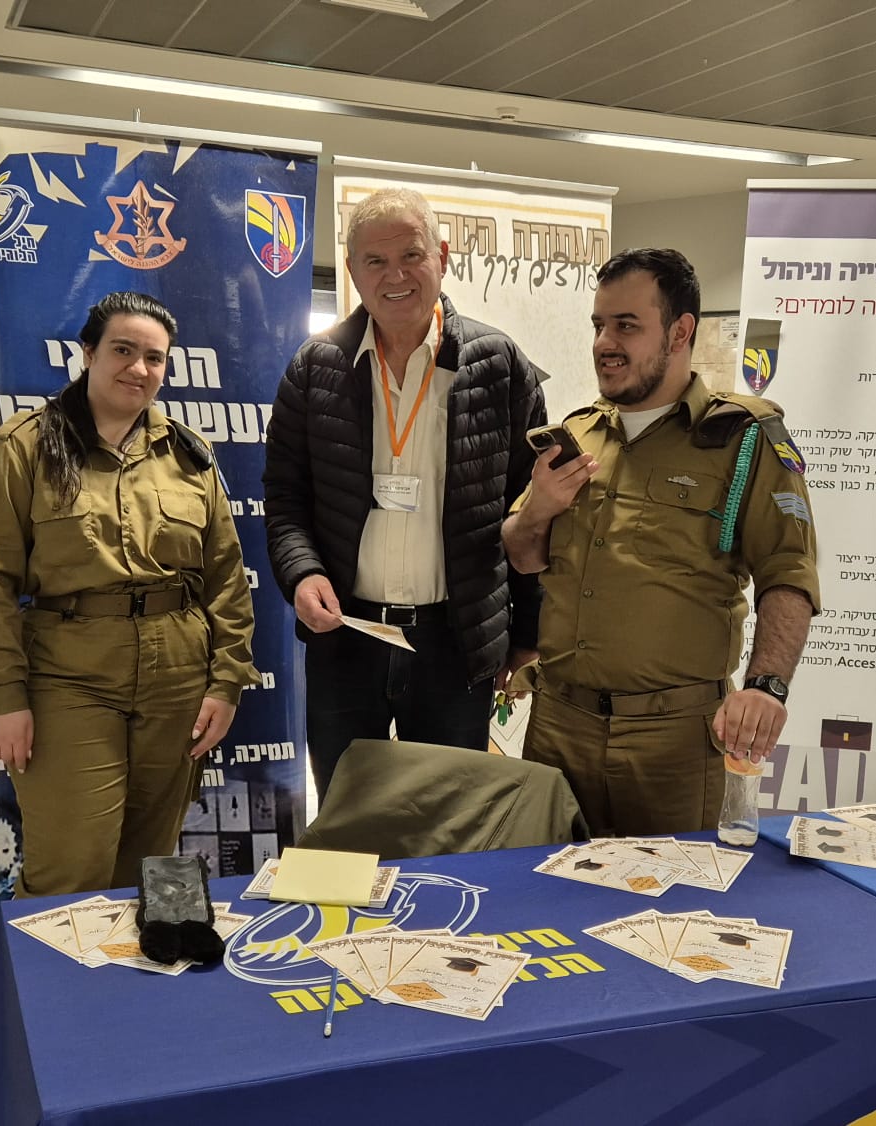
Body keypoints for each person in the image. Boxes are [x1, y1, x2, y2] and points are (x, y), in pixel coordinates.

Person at [502, 248, 819, 837]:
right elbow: (522, 555)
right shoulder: (576, 434)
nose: (604, 343)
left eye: (626, 325)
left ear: (680, 332)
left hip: (674, 742)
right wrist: (538, 510)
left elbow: (789, 572)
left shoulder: (742, 439)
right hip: (559, 729)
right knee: (548, 884)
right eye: (599, 325)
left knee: (676, 889)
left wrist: (767, 687)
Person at [0, 292, 257, 897]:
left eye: (154, 358)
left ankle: (130, 964)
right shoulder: (28, 447)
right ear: (88, 353)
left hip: (176, 679)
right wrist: (3, 695)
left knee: (149, 866)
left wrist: (226, 682)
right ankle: (50, 965)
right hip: (70, 675)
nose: (139, 368)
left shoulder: (188, 455)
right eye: (123, 350)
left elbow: (225, 577)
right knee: (69, 870)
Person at [264, 187, 546, 796]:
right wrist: (302, 573)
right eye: (376, 261)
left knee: (446, 822)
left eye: (411, 255)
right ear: (353, 271)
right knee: (347, 817)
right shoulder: (315, 368)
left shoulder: (499, 367)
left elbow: (531, 510)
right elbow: (285, 499)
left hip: (455, 645)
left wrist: (526, 637)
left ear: (441, 256)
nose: (395, 276)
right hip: (347, 640)